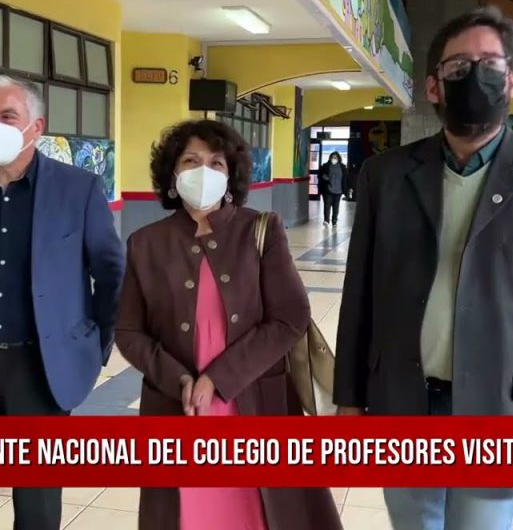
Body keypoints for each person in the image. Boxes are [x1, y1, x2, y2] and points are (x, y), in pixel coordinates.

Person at [333, 6, 513, 530]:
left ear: (512, 82)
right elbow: (358, 296)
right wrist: (348, 398)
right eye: (459, 66)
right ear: (433, 86)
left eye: (490, 64)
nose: (475, 76)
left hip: (499, 410)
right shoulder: (384, 177)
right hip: (403, 401)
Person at [115, 119, 343, 530]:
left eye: (216, 163)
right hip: (178, 409)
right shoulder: (145, 243)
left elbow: (290, 317)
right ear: (172, 174)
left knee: (262, 514)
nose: (203, 172)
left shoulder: (260, 230)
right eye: (191, 161)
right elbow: (129, 332)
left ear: (230, 175)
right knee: (188, 516)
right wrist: (180, 380)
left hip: (254, 404)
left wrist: (218, 379)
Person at [0, 75, 124, 530]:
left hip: (42, 367)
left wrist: (92, 344)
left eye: (7, 116)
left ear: (36, 127)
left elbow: (112, 273)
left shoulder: (79, 189)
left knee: (36, 500)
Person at [318, 152, 348, 225]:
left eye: (335, 157)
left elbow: (345, 178)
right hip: (328, 189)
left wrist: (346, 189)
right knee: (327, 205)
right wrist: (323, 177)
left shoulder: (342, 167)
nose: (333, 159)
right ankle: (326, 220)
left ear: (338, 158)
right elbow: (320, 175)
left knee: (336, 207)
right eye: (332, 157)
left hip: (338, 190)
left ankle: (334, 220)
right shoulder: (326, 166)